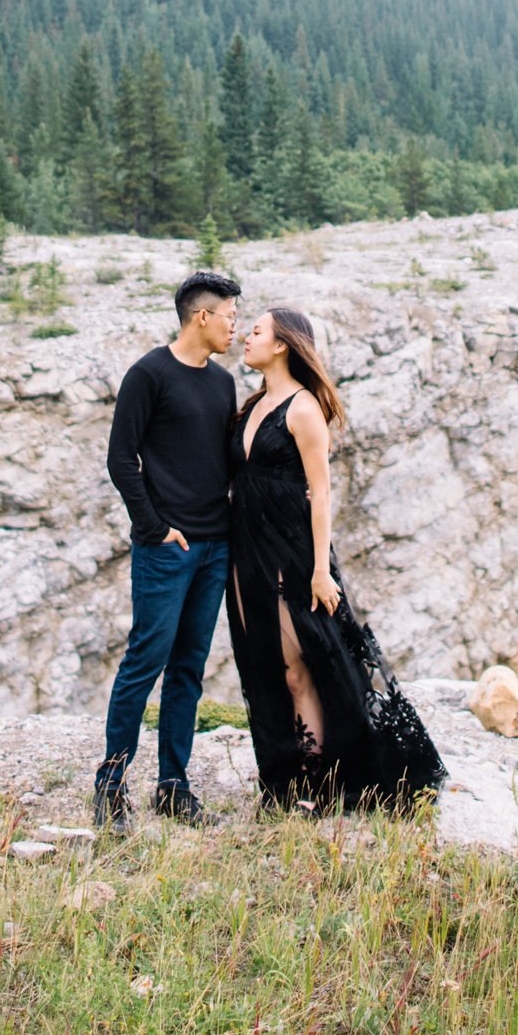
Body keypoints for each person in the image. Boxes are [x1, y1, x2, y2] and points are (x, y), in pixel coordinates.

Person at [228, 305, 446, 811]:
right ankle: (285, 775)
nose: (247, 337)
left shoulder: (302, 408)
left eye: (256, 331)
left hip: (292, 553)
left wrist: (322, 570)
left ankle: (316, 783)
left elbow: (321, 492)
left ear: (282, 344)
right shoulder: (254, 402)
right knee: (264, 664)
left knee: (299, 667)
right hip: (247, 550)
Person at [93, 268, 242, 831]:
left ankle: (173, 785)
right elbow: (120, 459)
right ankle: (110, 785)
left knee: (188, 670)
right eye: (229, 317)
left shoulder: (222, 382)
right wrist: (153, 527)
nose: (235, 327)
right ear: (201, 317)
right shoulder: (148, 375)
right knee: (143, 662)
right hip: (167, 550)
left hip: (215, 548)